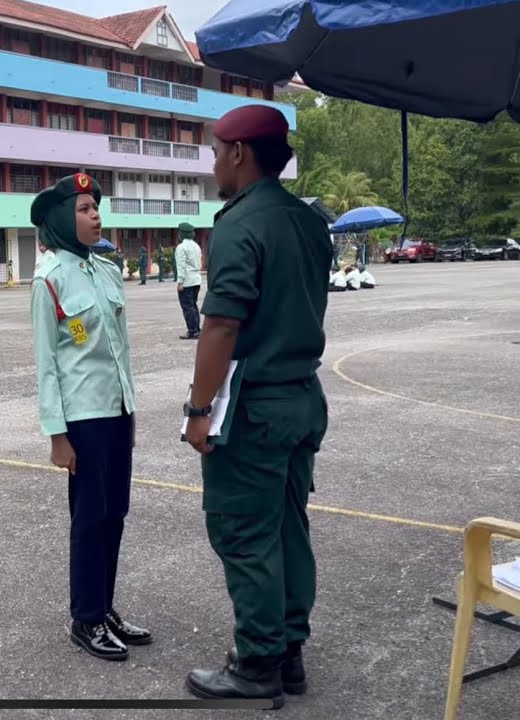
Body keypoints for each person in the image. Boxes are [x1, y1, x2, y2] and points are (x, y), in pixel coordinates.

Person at [181, 105, 332, 706]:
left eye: (217, 151)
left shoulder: (242, 224)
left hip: (254, 405)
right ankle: (289, 651)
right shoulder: (307, 221)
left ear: (240, 153)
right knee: (288, 525)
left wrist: (197, 410)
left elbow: (220, 325)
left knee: (246, 532)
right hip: (301, 397)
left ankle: (258, 662)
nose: (215, 162)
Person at [30, 172, 148, 662]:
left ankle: (104, 607)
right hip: (83, 418)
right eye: (83, 209)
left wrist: (132, 411)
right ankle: (85, 618)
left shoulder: (108, 272)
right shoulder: (49, 279)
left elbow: (120, 351)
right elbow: (47, 364)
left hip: (116, 411)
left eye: (96, 207)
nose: (95, 214)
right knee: (90, 518)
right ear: (61, 219)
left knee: (115, 514)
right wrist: (57, 435)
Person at [175, 223, 204, 340]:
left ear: (181, 234)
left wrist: (180, 282)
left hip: (187, 280)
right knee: (193, 305)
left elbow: (181, 265)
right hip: (196, 279)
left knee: (187, 306)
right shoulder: (197, 246)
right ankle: (196, 329)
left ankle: (192, 331)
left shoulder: (181, 247)